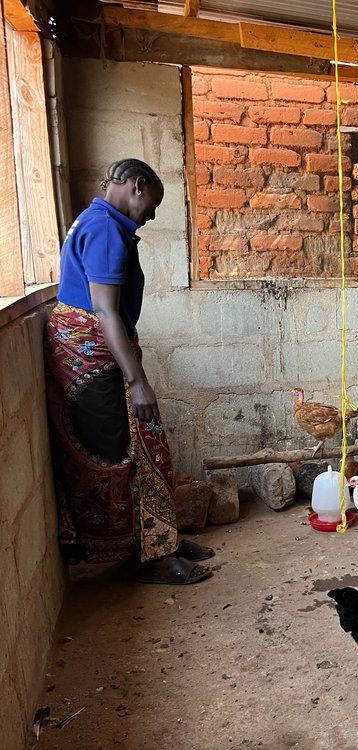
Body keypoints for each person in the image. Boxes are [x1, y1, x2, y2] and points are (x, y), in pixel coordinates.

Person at [44, 158, 213, 584]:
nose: (151, 215)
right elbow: (103, 310)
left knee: (146, 445)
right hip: (92, 356)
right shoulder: (104, 229)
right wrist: (137, 381)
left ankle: (160, 539)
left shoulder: (103, 221)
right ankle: (145, 556)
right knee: (121, 454)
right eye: (152, 206)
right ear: (138, 186)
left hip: (94, 350)